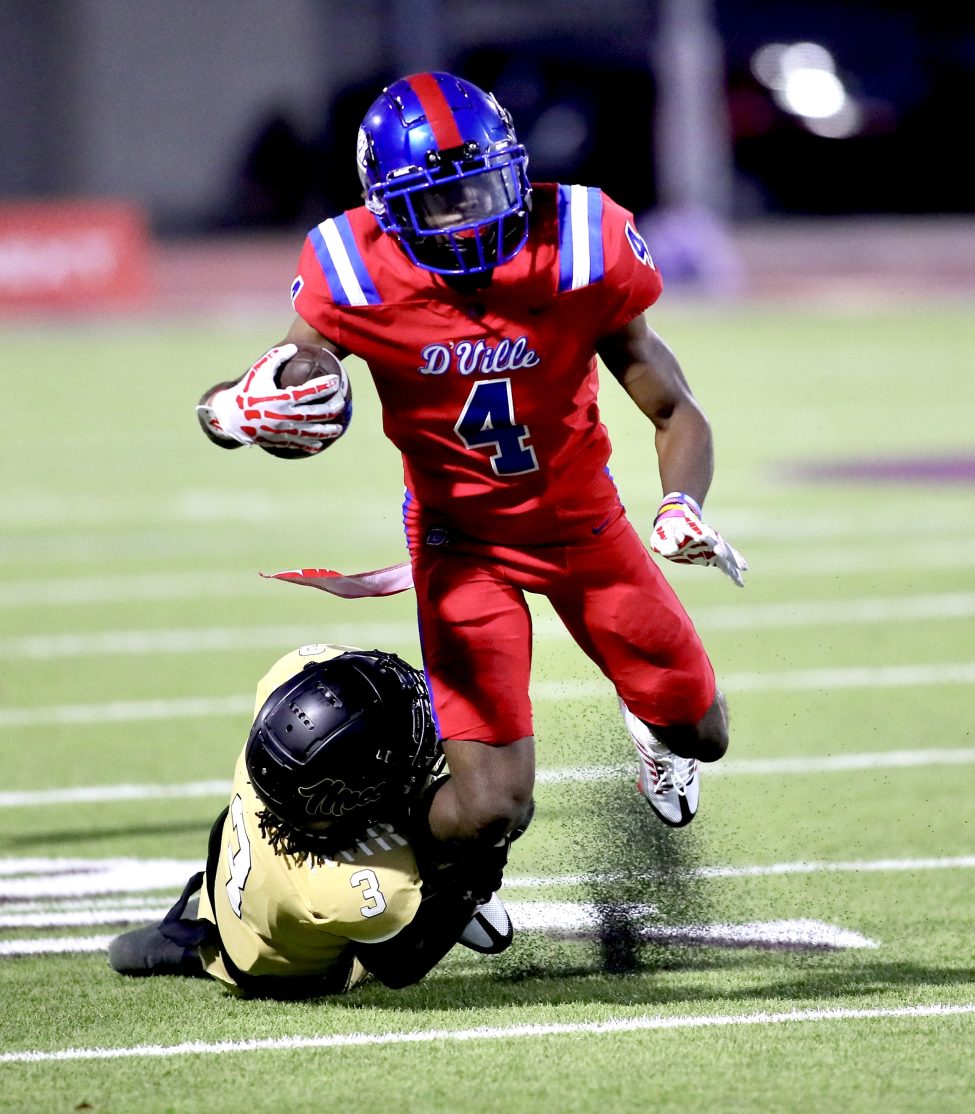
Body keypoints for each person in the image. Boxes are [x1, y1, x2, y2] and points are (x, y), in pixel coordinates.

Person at [195, 72, 747, 856]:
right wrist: (235, 409)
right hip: (461, 545)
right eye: (440, 203)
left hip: (583, 525)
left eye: (484, 189)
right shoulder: (355, 270)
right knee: (491, 809)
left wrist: (680, 505)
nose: (469, 220)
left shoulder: (580, 242)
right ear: (388, 212)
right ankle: (428, 868)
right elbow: (291, 366)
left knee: (704, 732)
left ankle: (654, 735)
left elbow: (673, 407)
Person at [109, 644, 513, 998]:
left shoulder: (283, 736)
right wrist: (474, 876)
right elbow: (400, 965)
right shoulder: (355, 888)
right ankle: (450, 880)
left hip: (239, 891)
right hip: (279, 971)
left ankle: (210, 924)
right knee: (482, 822)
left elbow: (345, 678)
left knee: (123, 951)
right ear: (349, 797)